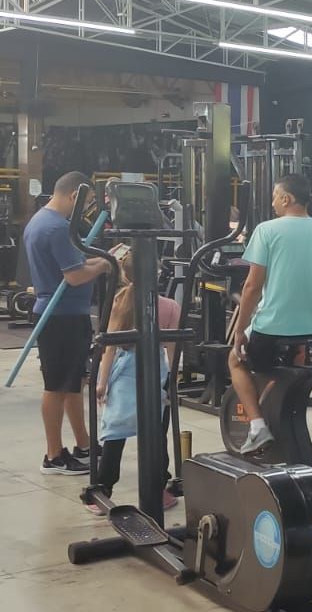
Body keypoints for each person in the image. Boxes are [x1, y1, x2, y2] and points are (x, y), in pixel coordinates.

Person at [229, 174, 312, 455]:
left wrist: (239, 330)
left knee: (235, 359)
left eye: (275, 196)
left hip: (272, 328)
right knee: (288, 357)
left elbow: (252, 287)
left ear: (286, 199)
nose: (273, 202)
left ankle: (257, 427)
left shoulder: (266, 230)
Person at [25, 171, 113, 475]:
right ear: (75, 196)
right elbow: (74, 276)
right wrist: (104, 265)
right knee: (57, 386)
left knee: (73, 383)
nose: (86, 208)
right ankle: (53, 456)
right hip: (60, 317)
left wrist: (102, 260)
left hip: (66, 315)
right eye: (86, 202)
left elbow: (75, 263)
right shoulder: (58, 228)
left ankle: (84, 444)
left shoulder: (41, 221)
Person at [88, 246, 182, 515]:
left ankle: (103, 490)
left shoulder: (119, 301)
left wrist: (102, 382)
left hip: (124, 372)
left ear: (125, 275)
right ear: (158, 272)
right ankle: (159, 488)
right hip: (155, 370)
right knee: (157, 433)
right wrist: (172, 381)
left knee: (114, 434)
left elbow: (110, 347)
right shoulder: (170, 307)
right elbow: (173, 349)